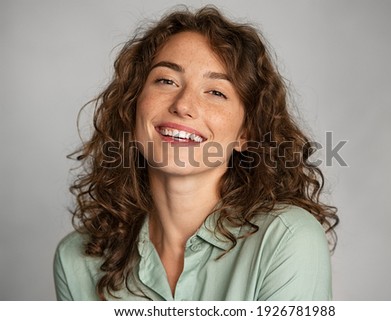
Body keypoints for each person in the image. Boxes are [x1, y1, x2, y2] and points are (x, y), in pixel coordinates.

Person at [53, 5, 339, 301]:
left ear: (246, 134)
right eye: (166, 81)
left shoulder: (287, 238)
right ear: (133, 105)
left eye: (216, 92)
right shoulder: (76, 260)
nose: (183, 105)